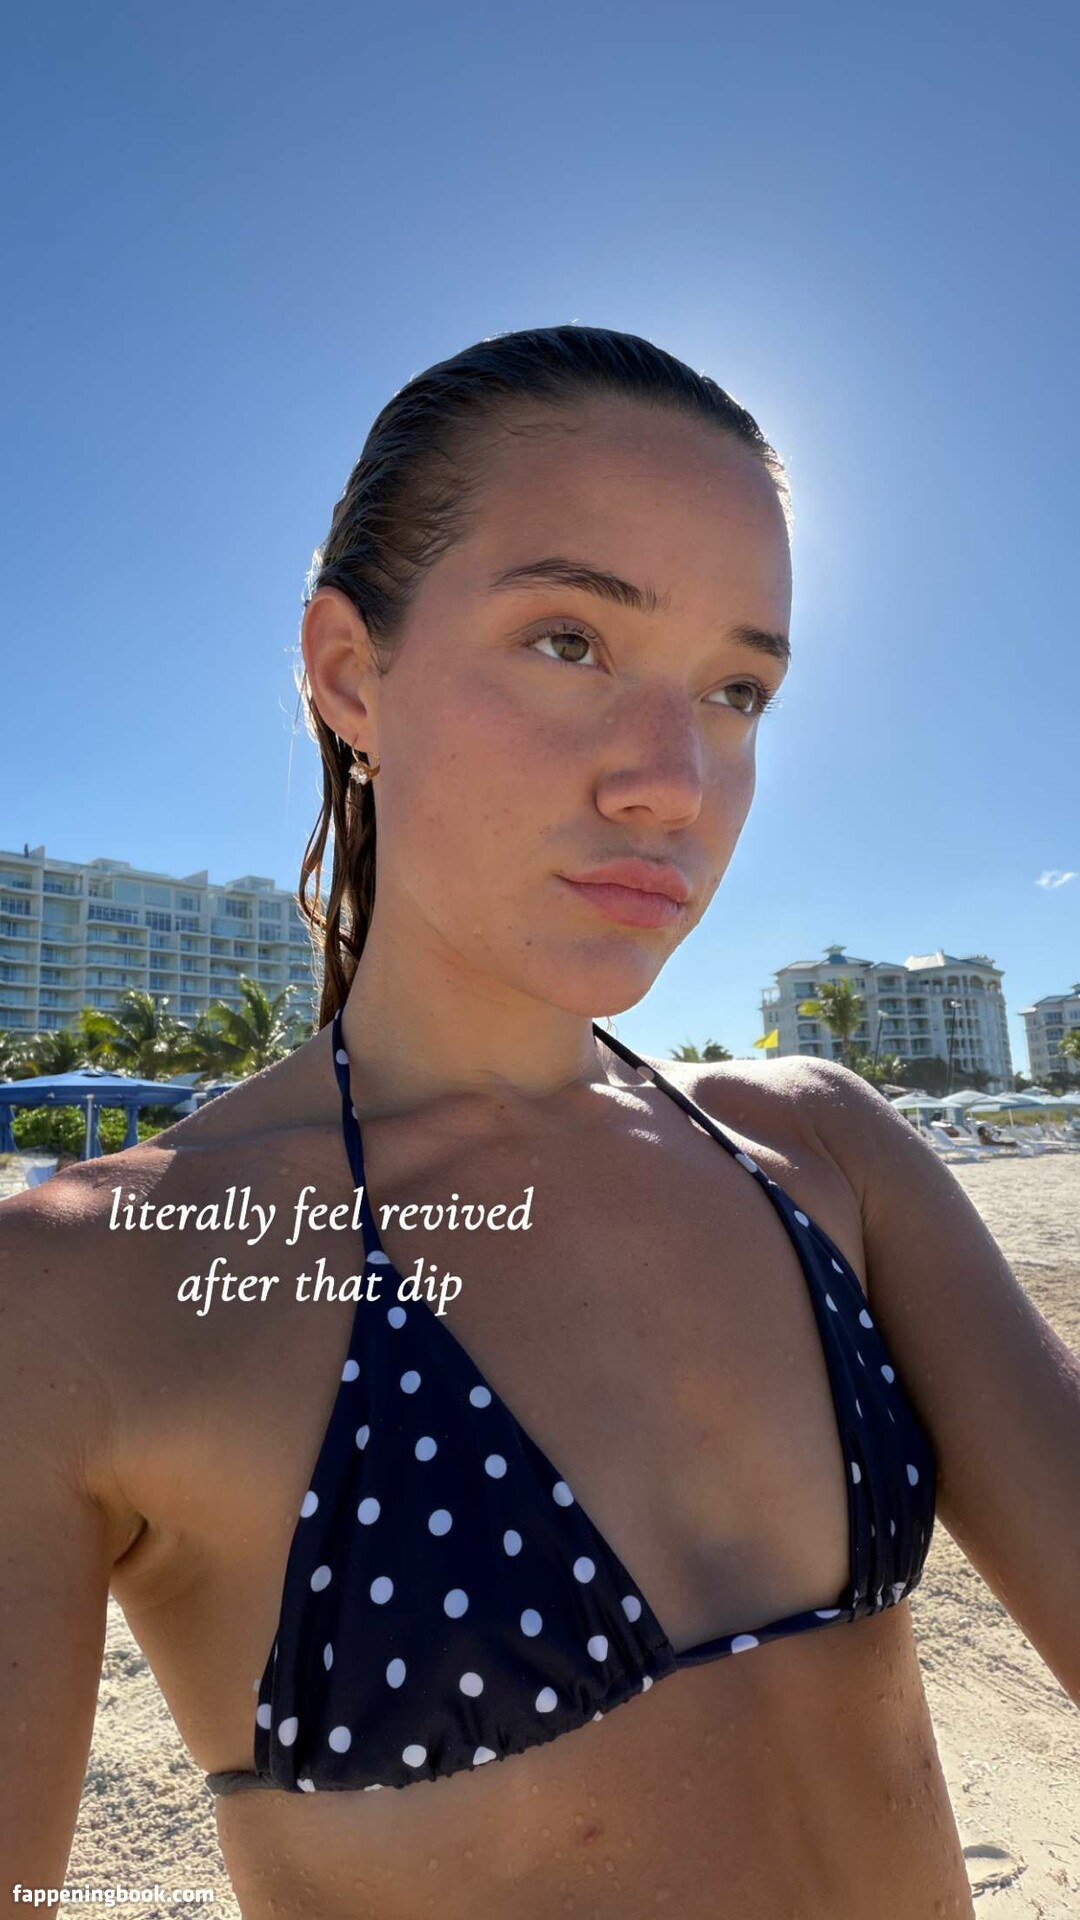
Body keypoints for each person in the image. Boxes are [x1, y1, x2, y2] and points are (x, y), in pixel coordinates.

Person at [3, 325, 1078, 1920]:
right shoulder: (88, 1289)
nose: (674, 781)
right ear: (349, 672)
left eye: (738, 688)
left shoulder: (820, 1153)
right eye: (569, 640)